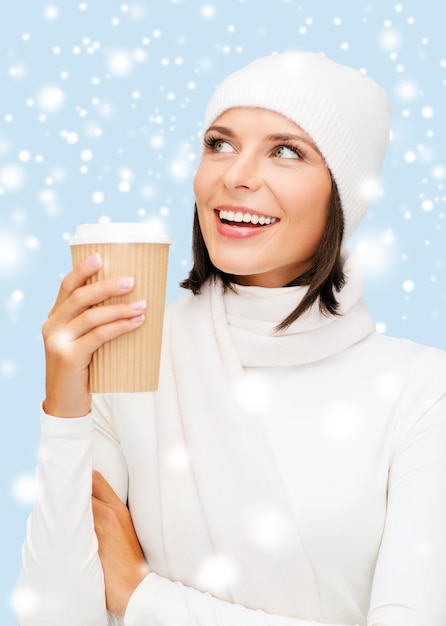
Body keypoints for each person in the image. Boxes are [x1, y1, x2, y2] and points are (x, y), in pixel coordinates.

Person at [14, 52, 446, 626]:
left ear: (342, 195)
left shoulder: (420, 392)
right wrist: (65, 408)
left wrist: (144, 596)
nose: (236, 175)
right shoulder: (135, 360)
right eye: (219, 143)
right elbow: (56, 616)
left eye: (286, 151)